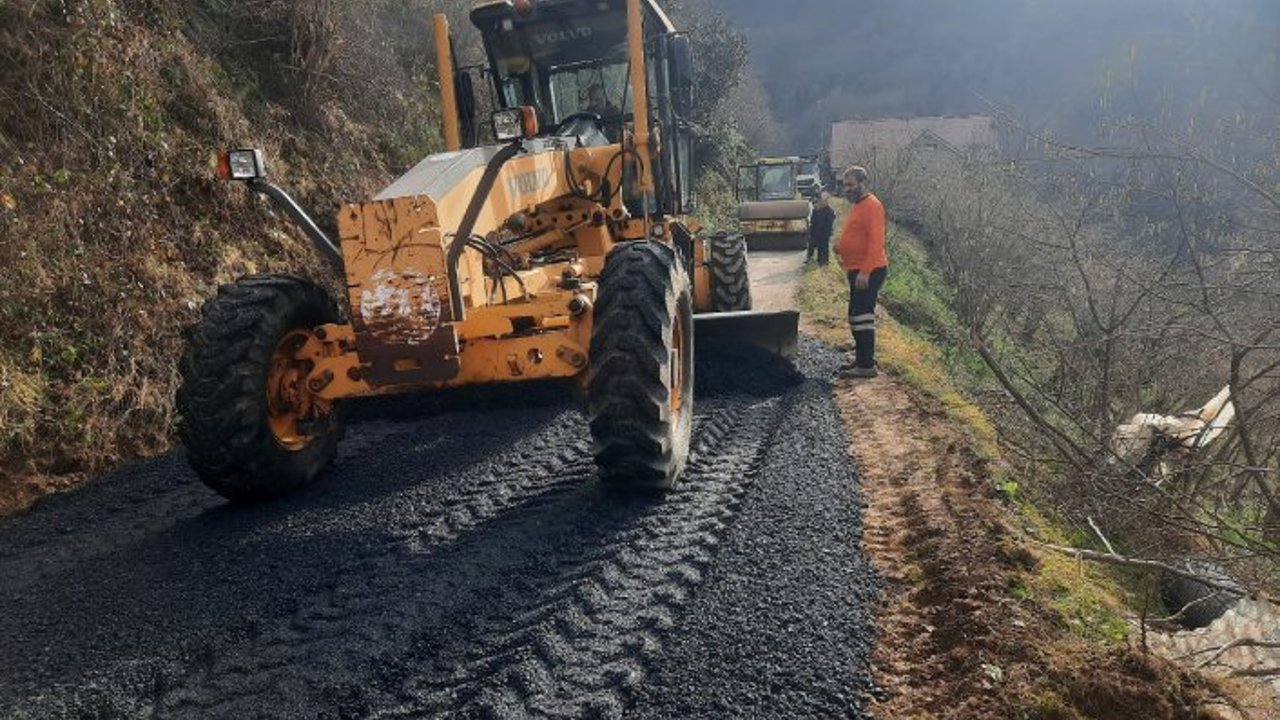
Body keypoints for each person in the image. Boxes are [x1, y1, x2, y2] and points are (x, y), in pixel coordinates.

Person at [835, 166, 888, 378]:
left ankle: (866, 366)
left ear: (862, 183)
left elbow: (876, 242)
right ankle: (861, 358)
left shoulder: (872, 206)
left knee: (863, 317)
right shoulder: (859, 205)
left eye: (850, 184)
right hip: (856, 269)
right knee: (855, 316)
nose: (846, 189)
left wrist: (865, 271)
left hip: (869, 271)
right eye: (845, 185)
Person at [807, 190, 836, 266]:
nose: (820, 203)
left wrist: (825, 229)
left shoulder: (829, 211)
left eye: (822, 201)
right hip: (815, 232)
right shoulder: (817, 210)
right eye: (820, 201)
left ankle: (825, 263)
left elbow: (829, 223)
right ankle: (816, 261)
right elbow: (813, 221)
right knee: (814, 246)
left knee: (824, 248)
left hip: (824, 233)